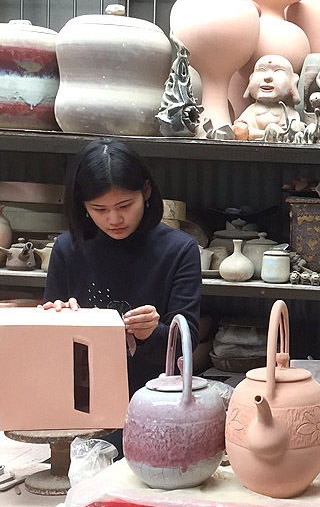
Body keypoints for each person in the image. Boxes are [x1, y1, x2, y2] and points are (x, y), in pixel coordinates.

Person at [42, 139, 202, 451]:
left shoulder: (179, 250)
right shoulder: (67, 248)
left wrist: (153, 332)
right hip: (82, 403)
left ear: (146, 191)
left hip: (155, 404)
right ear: (81, 204)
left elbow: (187, 341)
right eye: (99, 209)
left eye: (125, 206)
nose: (114, 219)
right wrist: (55, 320)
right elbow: (49, 351)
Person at [233, 54, 301, 141]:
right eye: (261, 70)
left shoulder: (287, 111)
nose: (267, 77)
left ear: (293, 81)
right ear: (251, 78)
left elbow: (293, 133)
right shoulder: (251, 110)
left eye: (277, 71)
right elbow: (240, 131)